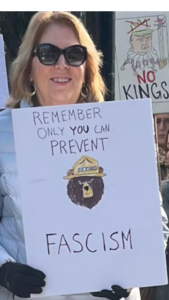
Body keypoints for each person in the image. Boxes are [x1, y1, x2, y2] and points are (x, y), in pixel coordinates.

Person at [0, 11, 167, 300]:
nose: (62, 64)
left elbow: (155, 220)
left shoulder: (123, 131)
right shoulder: (3, 134)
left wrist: (133, 269)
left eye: (75, 54)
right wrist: (3, 269)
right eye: (48, 53)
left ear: (87, 68)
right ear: (28, 68)